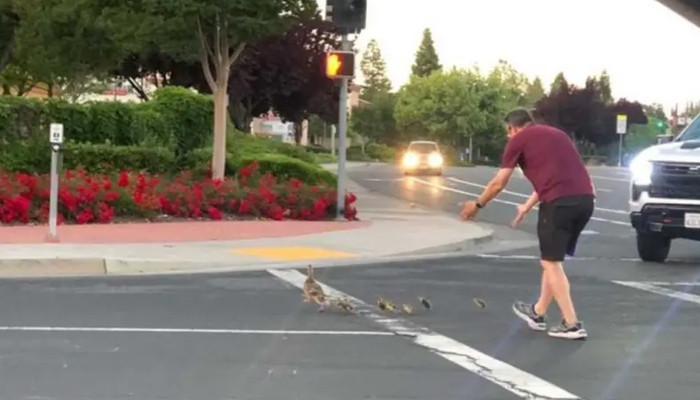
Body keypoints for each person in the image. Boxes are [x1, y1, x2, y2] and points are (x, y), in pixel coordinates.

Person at [460, 107, 595, 340]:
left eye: (507, 132)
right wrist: (526, 206)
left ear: (513, 128)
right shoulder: (557, 135)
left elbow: (498, 182)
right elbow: (556, 177)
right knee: (552, 260)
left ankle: (571, 323)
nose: (508, 136)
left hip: (559, 204)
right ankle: (538, 312)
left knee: (550, 263)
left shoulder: (518, 140)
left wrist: (478, 205)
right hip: (585, 200)